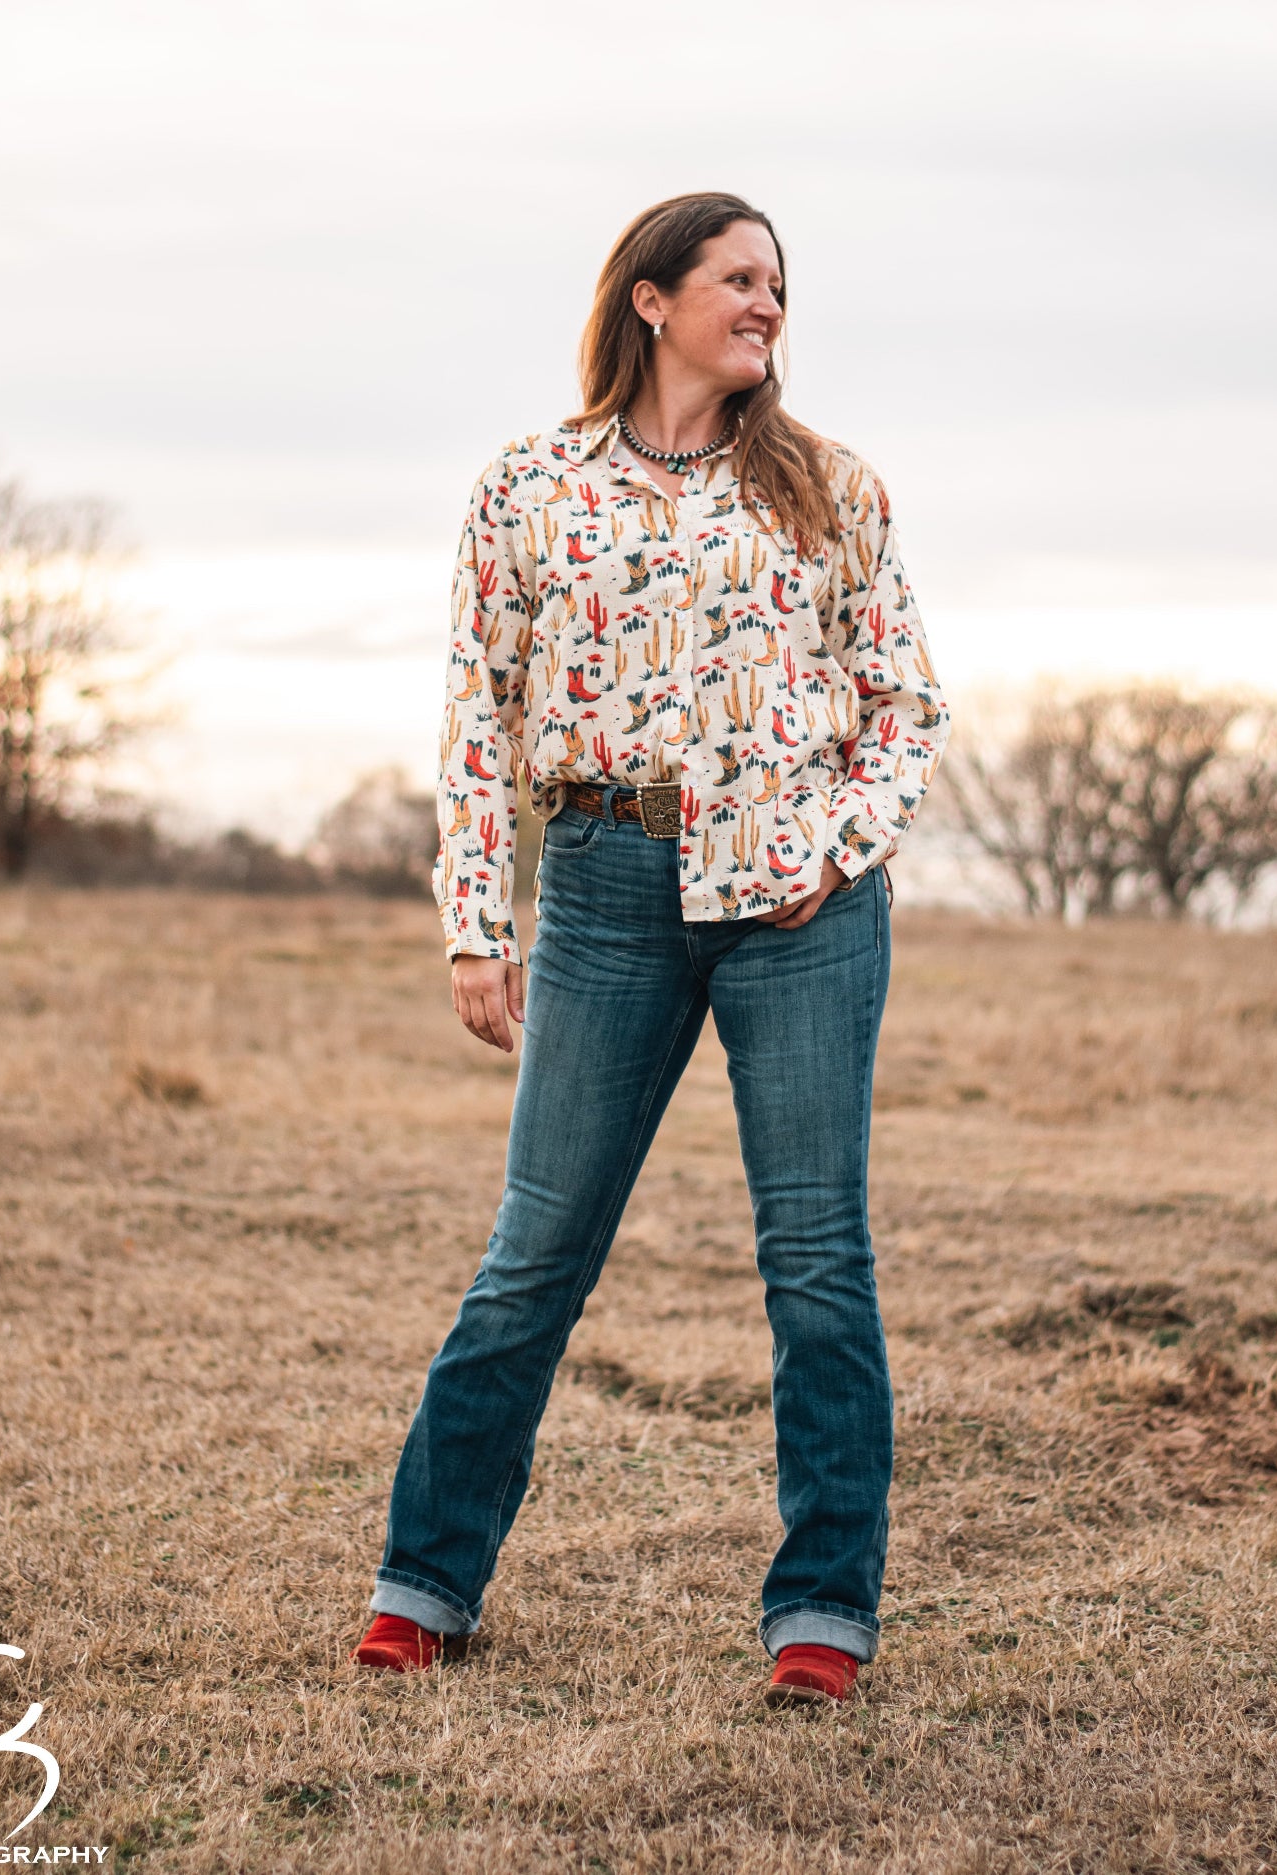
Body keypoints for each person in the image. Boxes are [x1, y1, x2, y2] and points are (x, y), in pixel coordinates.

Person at [354, 191, 950, 1707]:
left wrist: (830, 849)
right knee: (533, 1252)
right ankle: (424, 1584)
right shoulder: (531, 486)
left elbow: (904, 709)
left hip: (797, 903)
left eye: (779, 286)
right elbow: (479, 719)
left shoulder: (830, 488)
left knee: (817, 1263)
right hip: (608, 884)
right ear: (652, 300)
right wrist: (476, 925)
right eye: (738, 280)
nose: (766, 305)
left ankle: (822, 1614)